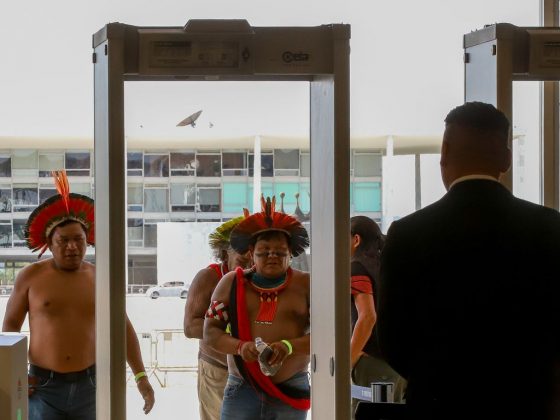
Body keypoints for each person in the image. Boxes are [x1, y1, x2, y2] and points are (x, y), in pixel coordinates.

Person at [377, 102, 560, 420]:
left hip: (440, 404)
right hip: (529, 403)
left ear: (444, 153)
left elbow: (393, 341)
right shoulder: (550, 226)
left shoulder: (408, 233)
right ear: (505, 159)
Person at [2, 170, 155, 419]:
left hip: (91, 386)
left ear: (88, 241)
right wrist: (15, 376)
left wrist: (141, 377)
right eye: (63, 240)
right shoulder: (30, 277)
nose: (72, 246)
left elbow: (122, 326)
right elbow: (10, 328)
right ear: (50, 244)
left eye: (78, 239)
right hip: (41, 387)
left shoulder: (100, 278)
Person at [204, 196, 311, 420]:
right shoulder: (231, 283)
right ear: (251, 253)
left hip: (290, 387)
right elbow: (210, 332)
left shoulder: (307, 285)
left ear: (291, 253)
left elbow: (328, 336)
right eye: (264, 251)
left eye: (280, 251)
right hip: (242, 387)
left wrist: (288, 346)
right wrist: (240, 347)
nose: (272, 255)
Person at [184, 216, 251, 420]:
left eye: (254, 258)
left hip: (252, 373)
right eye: (242, 261)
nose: (249, 266)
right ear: (224, 254)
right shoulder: (209, 277)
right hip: (218, 371)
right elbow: (190, 326)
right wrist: (232, 337)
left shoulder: (259, 278)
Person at [349, 216, 405, 417]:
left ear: (356, 240)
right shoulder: (390, 267)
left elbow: (367, 316)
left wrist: (349, 358)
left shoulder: (356, 267)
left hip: (372, 362)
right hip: (399, 363)